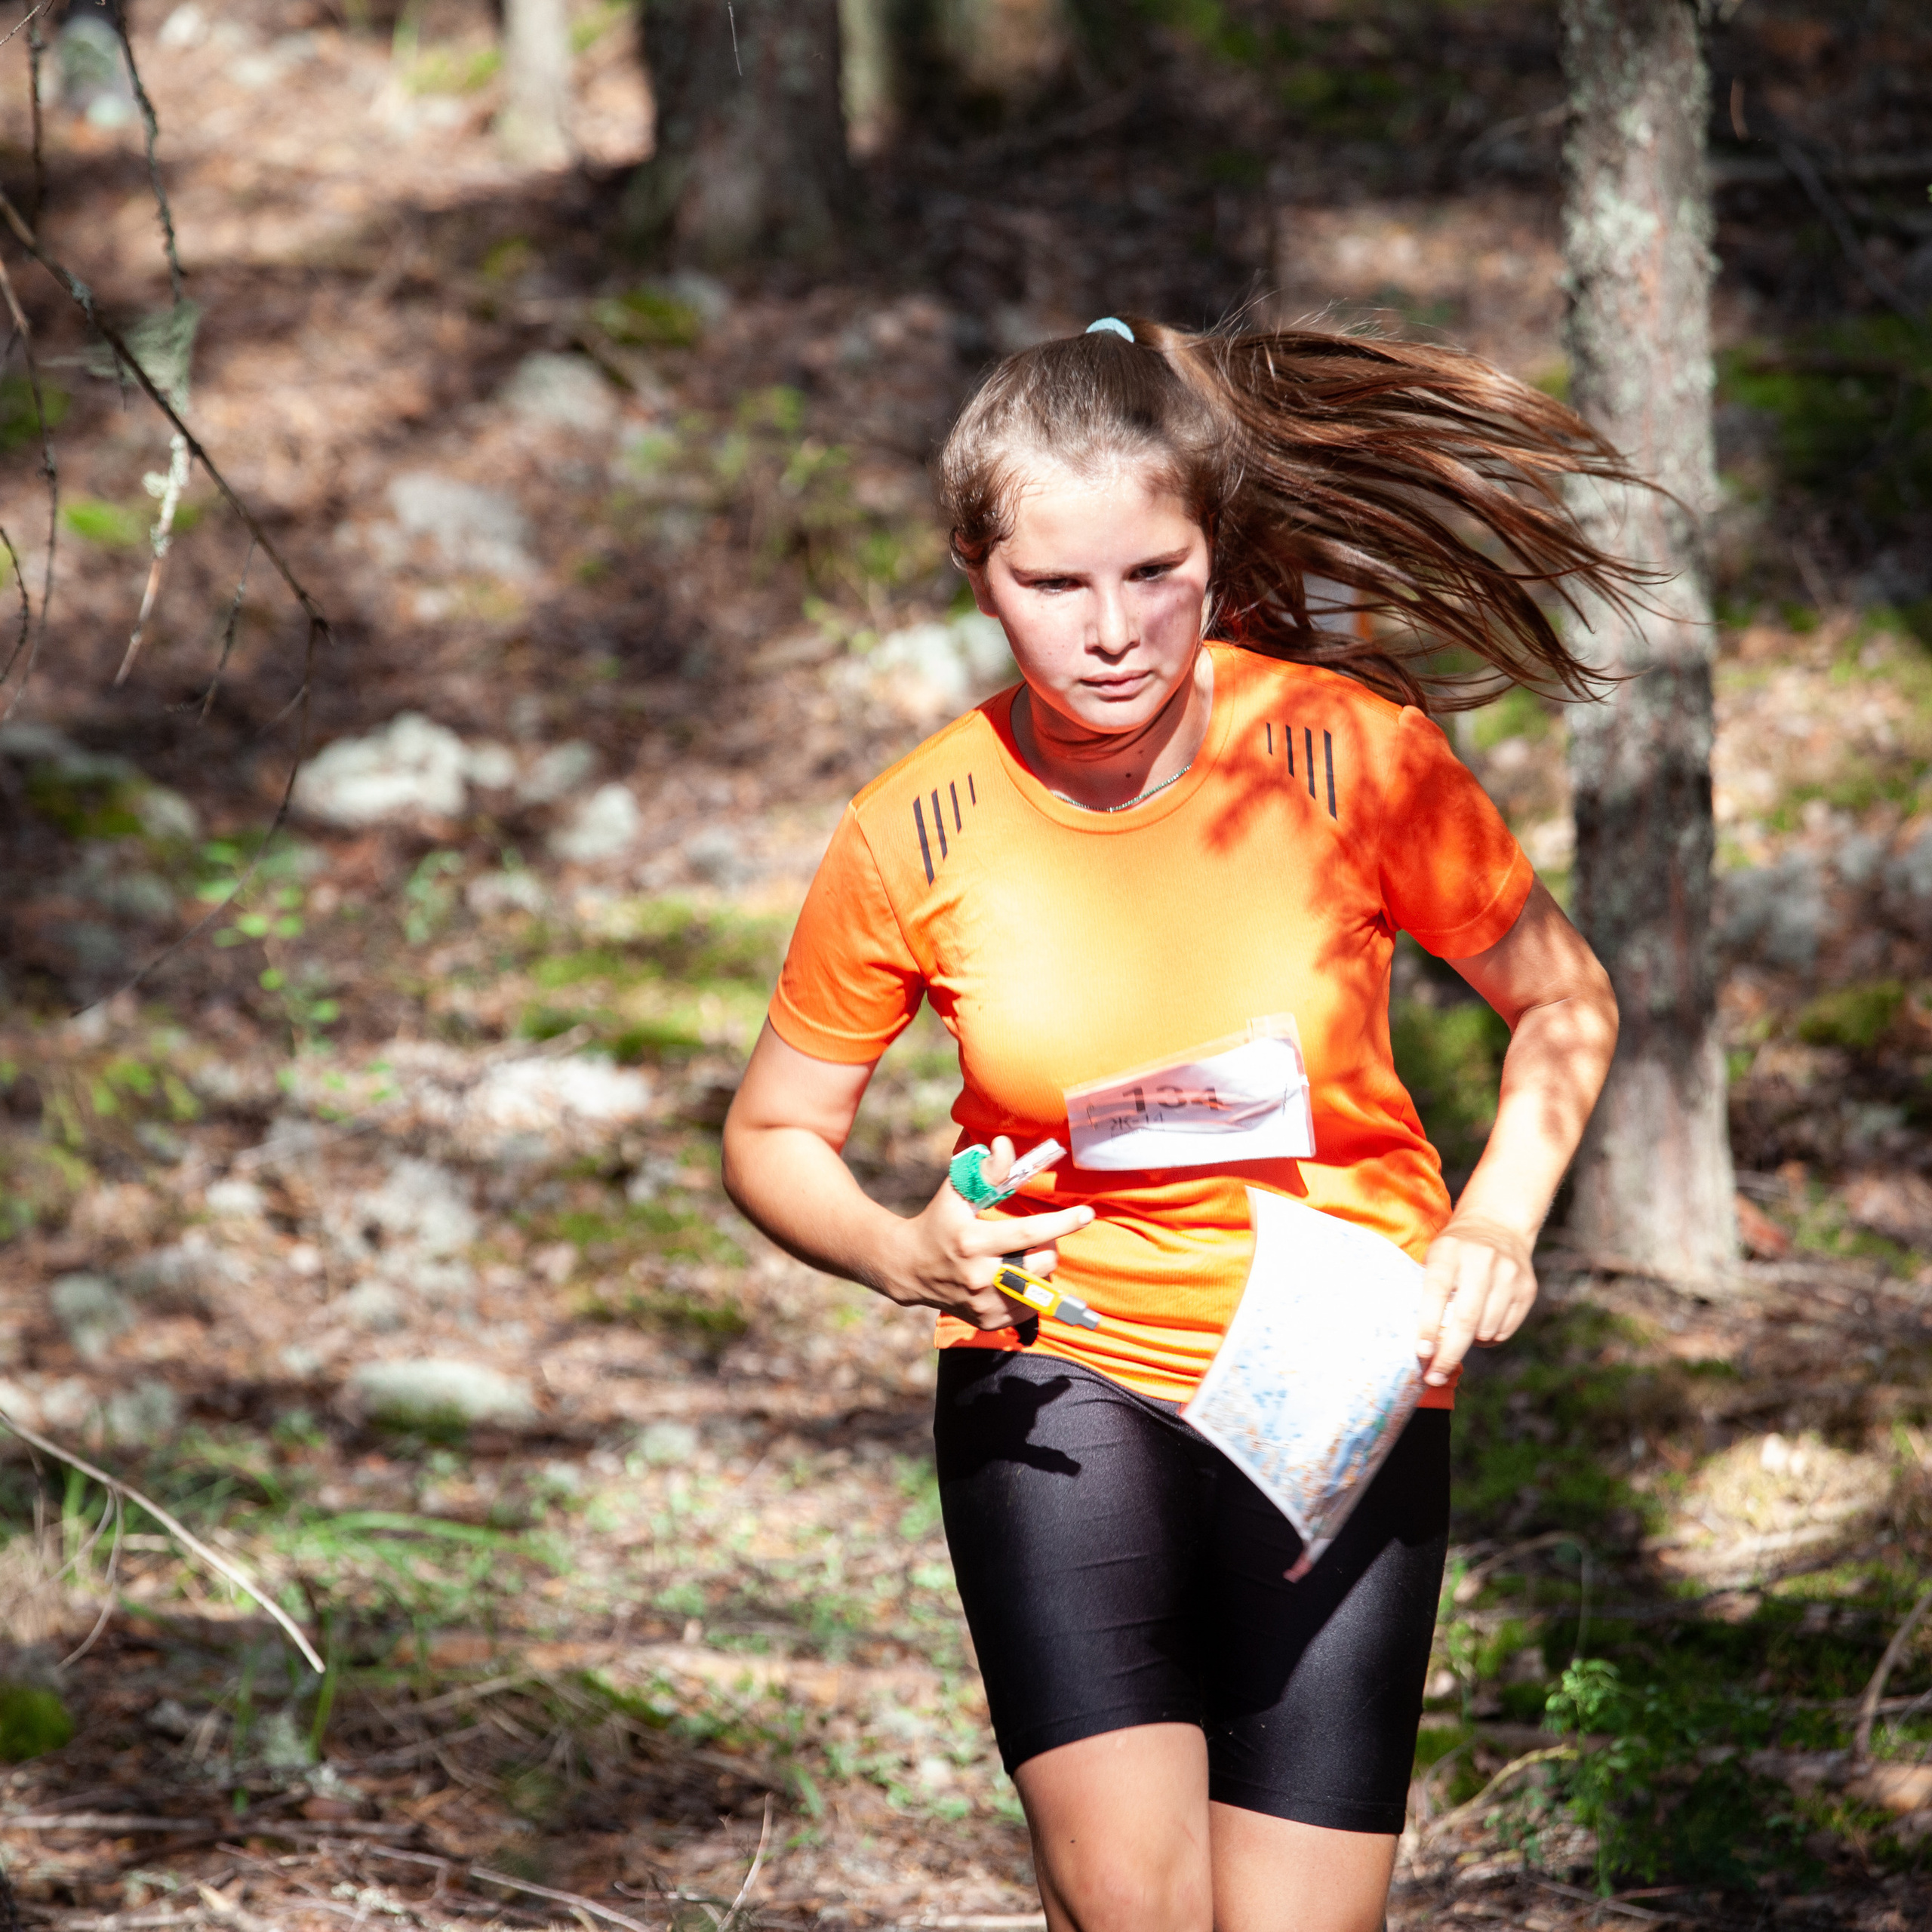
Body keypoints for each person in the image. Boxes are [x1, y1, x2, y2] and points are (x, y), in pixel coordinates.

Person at [721, 316, 1625, 1932]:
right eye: (1053, 586)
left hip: (1336, 1370)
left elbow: (1562, 1001)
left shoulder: (1348, 755)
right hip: (1056, 1367)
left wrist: (1493, 1219)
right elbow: (774, 1126)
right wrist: (895, 1246)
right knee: (1129, 1895)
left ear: (1211, 549)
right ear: (974, 574)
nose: (1113, 630)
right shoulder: (912, 825)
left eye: (1153, 572)